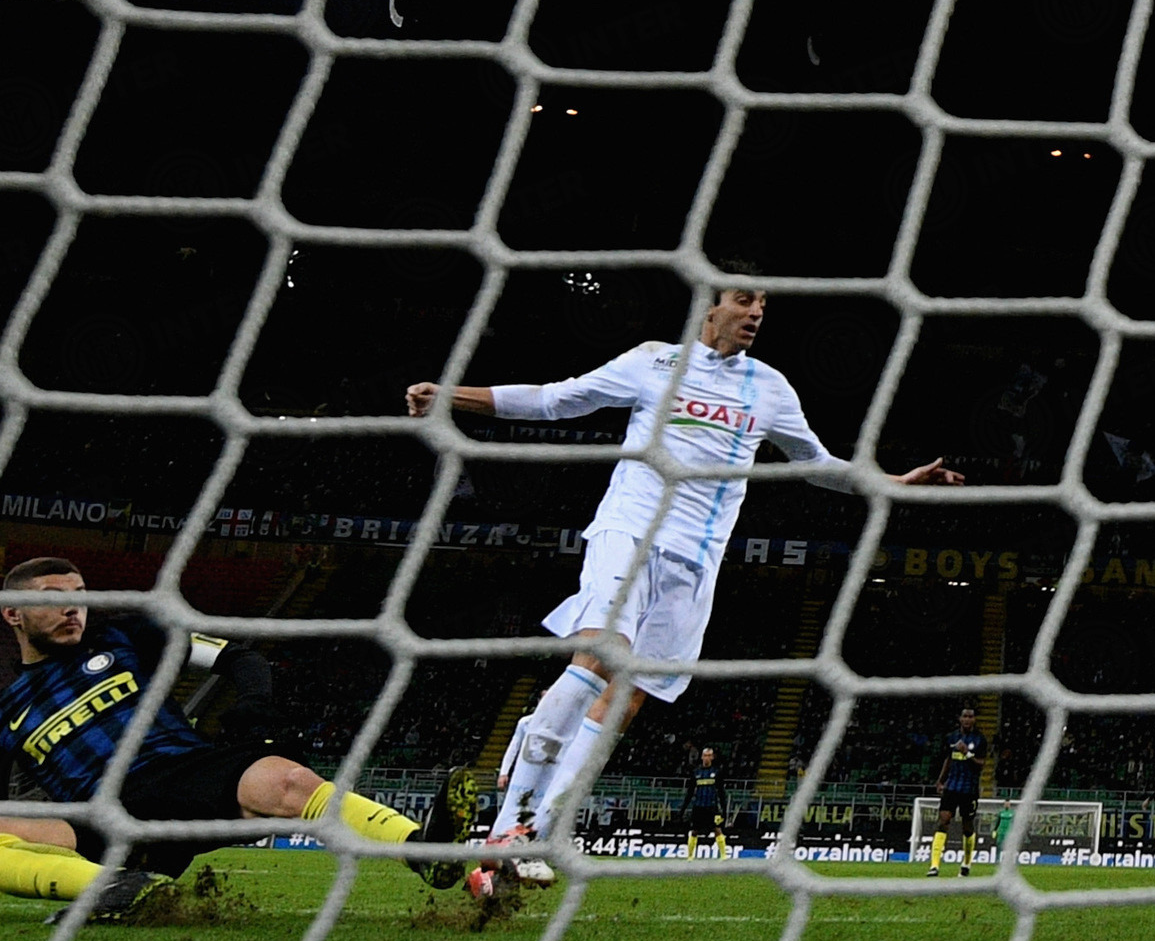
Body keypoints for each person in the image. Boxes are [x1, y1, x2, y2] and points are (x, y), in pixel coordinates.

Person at [407, 272, 962, 855]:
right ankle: (505, 830)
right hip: (630, 530)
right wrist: (451, 395)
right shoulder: (653, 362)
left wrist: (896, 482)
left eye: (762, 305)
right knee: (600, 654)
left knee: (629, 695)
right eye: (743, 301)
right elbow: (555, 399)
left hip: (696, 561)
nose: (756, 313)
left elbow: (816, 463)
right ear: (710, 307)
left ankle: (534, 837)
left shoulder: (769, 387)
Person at [0, 558, 479, 917]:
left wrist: (252, 710)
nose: (73, 607)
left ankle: (422, 851)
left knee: (288, 779)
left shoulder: (130, 636)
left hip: (182, 775)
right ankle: (112, 892)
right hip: (99, 823)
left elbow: (239, 658)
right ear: (11, 614)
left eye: (79, 595)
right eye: (53, 598)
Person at [927, 706, 988, 877]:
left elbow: (981, 765)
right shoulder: (951, 737)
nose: (967, 719)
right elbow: (948, 759)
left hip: (969, 789)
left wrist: (967, 753)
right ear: (960, 719)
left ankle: (966, 863)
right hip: (951, 787)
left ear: (974, 719)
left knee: (967, 827)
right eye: (965, 716)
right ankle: (934, 866)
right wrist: (940, 780)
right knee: (943, 821)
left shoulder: (980, 739)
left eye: (970, 716)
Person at [685, 746, 727, 860]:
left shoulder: (717, 772)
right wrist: (683, 808)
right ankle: (690, 856)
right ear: (702, 757)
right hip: (698, 806)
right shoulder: (696, 772)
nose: (707, 758)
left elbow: (721, 792)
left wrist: (724, 809)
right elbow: (690, 791)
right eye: (705, 755)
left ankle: (724, 855)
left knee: (717, 829)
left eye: (709, 756)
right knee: (694, 831)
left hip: (712, 806)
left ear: (712, 757)